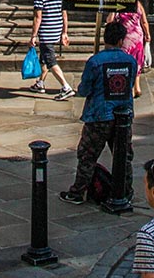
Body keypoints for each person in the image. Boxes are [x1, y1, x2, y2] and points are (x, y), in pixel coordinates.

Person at [60, 19, 140, 208]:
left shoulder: (95, 61)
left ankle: (78, 191)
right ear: (121, 40)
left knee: (87, 155)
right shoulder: (130, 61)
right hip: (122, 115)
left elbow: (84, 89)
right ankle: (125, 190)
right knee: (123, 155)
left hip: (99, 116)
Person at [28, 0, 73, 99]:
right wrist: (65, 32)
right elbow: (64, 15)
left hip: (46, 33)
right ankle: (40, 83)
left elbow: (38, 17)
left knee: (50, 60)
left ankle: (66, 87)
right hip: (56, 31)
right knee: (44, 58)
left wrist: (33, 36)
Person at [117, 0, 152, 97]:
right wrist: (147, 34)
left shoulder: (119, 5)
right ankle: (137, 87)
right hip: (138, 37)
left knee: (125, 62)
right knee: (137, 62)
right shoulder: (138, 4)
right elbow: (144, 22)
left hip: (125, 38)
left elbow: (109, 20)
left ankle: (130, 88)